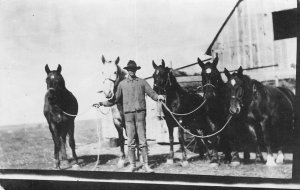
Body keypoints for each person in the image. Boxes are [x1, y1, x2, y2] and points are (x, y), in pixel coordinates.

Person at [93, 60, 165, 173]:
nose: (131, 71)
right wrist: (101, 103)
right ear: (127, 71)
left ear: (136, 70)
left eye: (133, 69)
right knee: (130, 142)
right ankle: (132, 165)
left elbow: (151, 93)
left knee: (142, 141)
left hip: (140, 115)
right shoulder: (122, 84)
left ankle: (146, 165)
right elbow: (114, 100)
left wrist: (158, 97)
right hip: (128, 117)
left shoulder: (142, 82)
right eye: (130, 69)